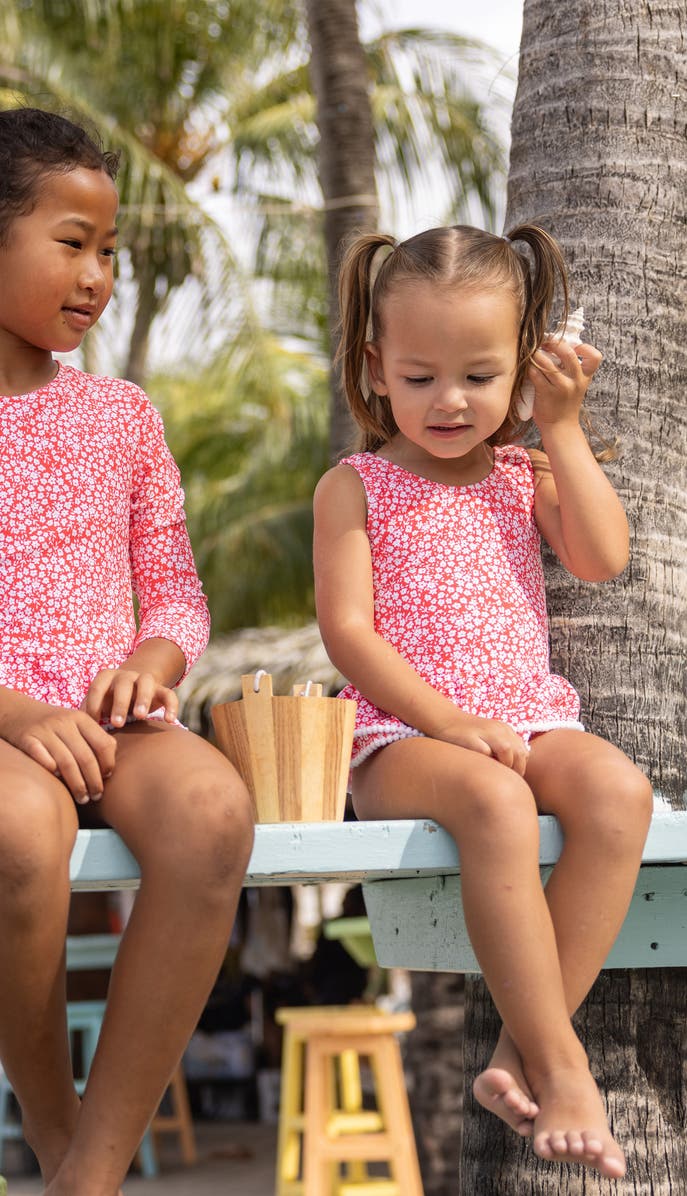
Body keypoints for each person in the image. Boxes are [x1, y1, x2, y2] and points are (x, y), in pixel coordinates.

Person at [313, 224, 654, 1179]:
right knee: (498, 802)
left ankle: (516, 1052)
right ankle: (564, 1067)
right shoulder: (354, 487)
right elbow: (349, 634)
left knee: (620, 794)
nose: (450, 401)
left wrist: (563, 428)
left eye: (479, 375)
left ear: (521, 368)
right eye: (419, 377)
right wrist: (448, 722)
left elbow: (602, 557)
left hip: (529, 715)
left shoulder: (522, 473)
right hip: (400, 737)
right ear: (376, 368)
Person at [0, 107, 254, 1196]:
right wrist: (17, 714)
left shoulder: (124, 416)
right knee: (20, 833)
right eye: (73, 242)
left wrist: (152, 661)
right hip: (4, 724)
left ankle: (89, 1174)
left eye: (109, 250)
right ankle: (54, 1128)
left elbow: (178, 594)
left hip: (116, 721)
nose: (98, 275)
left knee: (213, 812)